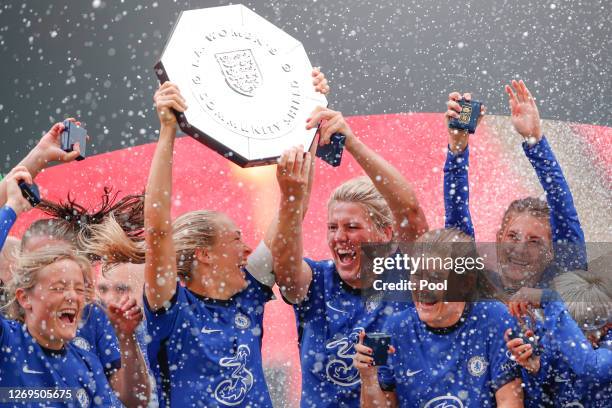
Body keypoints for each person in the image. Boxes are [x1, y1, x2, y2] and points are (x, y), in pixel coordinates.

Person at [83, 69, 330, 407]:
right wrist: (168, 130)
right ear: (205, 254)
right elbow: (157, 230)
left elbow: (293, 217)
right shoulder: (170, 306)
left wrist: (311, 120)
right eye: (235, 238)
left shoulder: (250, 293)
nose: (246, 247)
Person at [271, 106, 428, 406]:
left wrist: (352, 142)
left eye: (352, 227)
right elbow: (287, 273)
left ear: (386, 234)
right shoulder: (316, 281)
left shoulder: (409, 277)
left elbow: (410, 213)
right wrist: (292, 197)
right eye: (332, 227)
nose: (338, 237)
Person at [443, 80, 586, 293]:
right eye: (513, 236)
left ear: (553, 250)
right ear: (499, 238)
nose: (519, 249)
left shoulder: (566, 286)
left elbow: (562, 207)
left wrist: (535, 141)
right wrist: (457, 148)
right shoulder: (477, 284)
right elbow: (456, 220)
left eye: (535, 241)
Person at [354, 229, 523, 407]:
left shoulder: (493, 318)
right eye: (417, 275)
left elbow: (510, 402)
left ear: (465, 283)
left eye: (435, 278)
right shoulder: (397, 327)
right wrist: (369, 377)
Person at [1, 246, 147, 407]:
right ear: (24, 298)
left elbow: (137, 401)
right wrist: (12, 218)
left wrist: (126, 337)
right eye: (58, 288)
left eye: (79, 289)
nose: (72, 296)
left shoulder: (87, 361)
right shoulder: (6, 341)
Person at [505, 271, 612, 407]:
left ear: (607, 326)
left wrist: (549, 300)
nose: (572, 340)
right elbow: (538, 401)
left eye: (580, 333)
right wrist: (535, 371)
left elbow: (591, 369)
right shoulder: (553, 337)